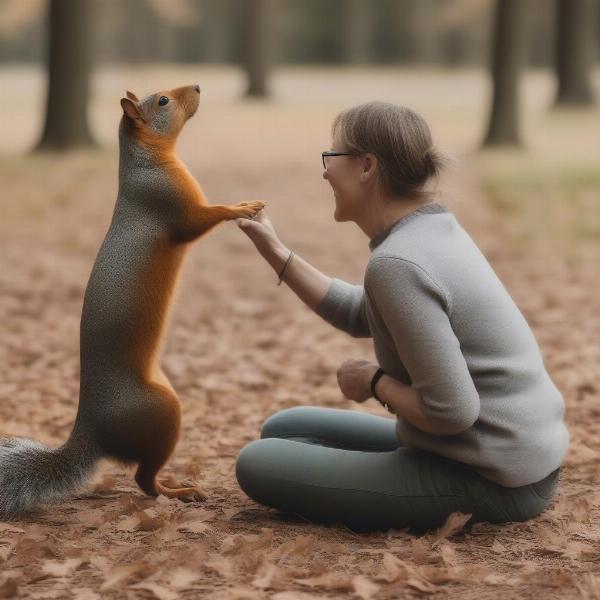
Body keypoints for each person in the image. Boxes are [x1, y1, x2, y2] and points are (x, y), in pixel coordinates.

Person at [233, 101, 569, 533]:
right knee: (284, 427)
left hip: (490, 477)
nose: (325, 172)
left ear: (367, 166)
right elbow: (362, 313)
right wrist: (277, 252)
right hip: (509, 453)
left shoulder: (399, 262)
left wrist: (373, 382)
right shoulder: (431, 230)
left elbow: (451, 412)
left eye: (331, 158)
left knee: (257, 464)